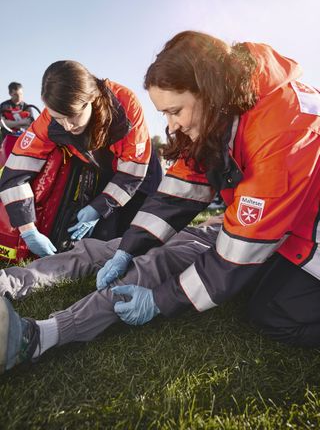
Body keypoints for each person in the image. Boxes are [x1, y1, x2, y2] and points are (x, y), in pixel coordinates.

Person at [1, 30, 320, 374]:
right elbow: (179, 192)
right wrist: (129, 247)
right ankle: (10, 282)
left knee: (269, 311)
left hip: (302, 245)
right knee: (116, 250)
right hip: (262, 227)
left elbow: (238, 254)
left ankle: (40, 337)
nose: (171, 125)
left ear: (209, 91)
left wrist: (160, 301)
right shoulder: (227, 108)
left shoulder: (281, 129)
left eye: (175, 111)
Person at [0, 61, 162, 257]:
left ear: (92, 99)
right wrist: (29, 232)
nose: (67, 126)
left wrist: (100, 207)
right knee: (102, 242)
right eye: (58, 118)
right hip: (100, 170)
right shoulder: (48, 119)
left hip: (140, 173)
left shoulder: (125, 105)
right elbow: (14, 174)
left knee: (139, 241)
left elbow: (132, 171)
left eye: (73, 116)